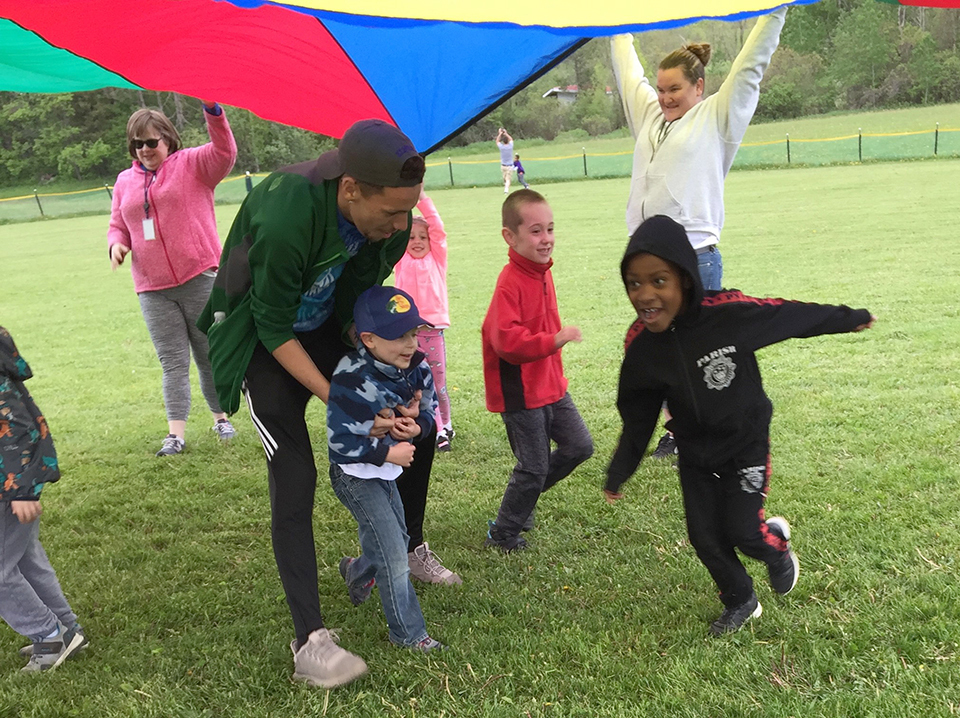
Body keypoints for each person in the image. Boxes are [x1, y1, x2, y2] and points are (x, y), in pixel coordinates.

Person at [198, 119, 456, 688]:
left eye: (407, 212)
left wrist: (378, 383)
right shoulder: (288, 207)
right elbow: (270, 322)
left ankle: (406, 547)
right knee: (294, 473)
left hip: (322, 332)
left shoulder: (389, 223)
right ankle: (309, 639)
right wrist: (341, 396)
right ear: (350, 190)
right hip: (265, 344)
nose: (400, 227)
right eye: (391, 213)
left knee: (416, 420)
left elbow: (352, 303)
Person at [604, 215, 875, 636]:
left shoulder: (727, 314)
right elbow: (638, 414)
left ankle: (777, 548)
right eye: (634, 283)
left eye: (659, 281)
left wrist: (846, 317)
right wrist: (620, 469)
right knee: (705, 539)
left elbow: (787, 316)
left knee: (746, 534)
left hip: (745, 443)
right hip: (695, 454)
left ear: (686, 280)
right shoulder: (640, 346)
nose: (645, 294)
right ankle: (741, 599)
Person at [611, 8, 787, 459]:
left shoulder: (717, 120)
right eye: (661, 88)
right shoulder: (649, 118)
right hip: (650, 264)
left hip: (694, 259)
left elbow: (751, 66)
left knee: (705, 353)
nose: (665, 97)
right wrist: (614, 20)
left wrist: (777, 11)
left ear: (699, 87)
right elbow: (627, 67)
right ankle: (680, 428)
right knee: (663, 349)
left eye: (675, 89)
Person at [107, 101, 238, 457]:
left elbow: (225, 152)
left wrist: (214, 113)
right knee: (173, 362)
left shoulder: (193, 164)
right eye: (137, 144)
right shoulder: (124, 181)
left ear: (168, 138)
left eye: (150, 142)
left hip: (199, 278)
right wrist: (117, 245)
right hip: (152, 289)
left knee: (209, 355)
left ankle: (221, 417)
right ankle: (175, 434)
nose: (144, 150)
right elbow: (118, 224)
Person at [328, 286, 446, 652]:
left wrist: (418, 427)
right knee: (396, 553)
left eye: (413, 332)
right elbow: (340, 443)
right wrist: (387, 453)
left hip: (384, 472)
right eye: (399, 336)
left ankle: (356, 570)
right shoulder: (350, 377)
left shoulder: (417, 366)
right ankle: (409, 635)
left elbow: (428, 411)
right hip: (354, 475)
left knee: (390, 541)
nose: (411, 343)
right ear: (369, 339)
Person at [481, 190, 594, 553]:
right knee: (533, 466)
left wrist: (554, 351)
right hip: (521, 392)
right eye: (535, 231)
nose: (546, 239)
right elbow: (506, 342)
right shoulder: (509, 281)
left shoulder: (543, 272)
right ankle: (504, 533)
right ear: (509, 237)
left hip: (550, 385)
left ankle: (521, 501)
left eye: (550, 229)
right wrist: (554, 340)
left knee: (579, 446)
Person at [0, 327, 88, 672]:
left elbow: (19, 431)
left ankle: (48, 635)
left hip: (12, 489)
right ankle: (67, 629)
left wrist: (22, 490)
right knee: (24, 561)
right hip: (10, 487)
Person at [392, 190, 457, 455]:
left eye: (423, 237)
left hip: (431, 333)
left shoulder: (436, 259)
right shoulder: (400, 260)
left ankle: (446, 425)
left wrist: (420, 197)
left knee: (438, 383)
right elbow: (393, 233)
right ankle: (428, 426)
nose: (417, 242)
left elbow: (438, 228)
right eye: (411, 237)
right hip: (407, 334)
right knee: (414, 384)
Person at [495, 128, 515, 193]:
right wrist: (506, 134)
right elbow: (511, 139)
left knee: (507, 179)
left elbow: (497, 141)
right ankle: (506, 188)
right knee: (506, 179)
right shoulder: (510, 146)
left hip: (503, 166)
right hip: (509, 166)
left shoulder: (502, 147)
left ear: (503, 142)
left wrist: (500, 134)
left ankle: (506, 190)